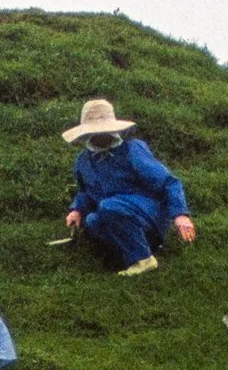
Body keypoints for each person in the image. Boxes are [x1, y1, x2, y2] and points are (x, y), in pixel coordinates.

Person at [61, 98, 193, 276]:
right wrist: (76, 210)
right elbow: (86, 192)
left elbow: (168, 182)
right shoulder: (83, 161)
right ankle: (128, 255)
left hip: (147, 215)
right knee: (92, 221)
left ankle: (144, 259)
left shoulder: (132, 150)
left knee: (109, 206)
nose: (101, 136)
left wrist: (180, 215)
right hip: (115, 215)